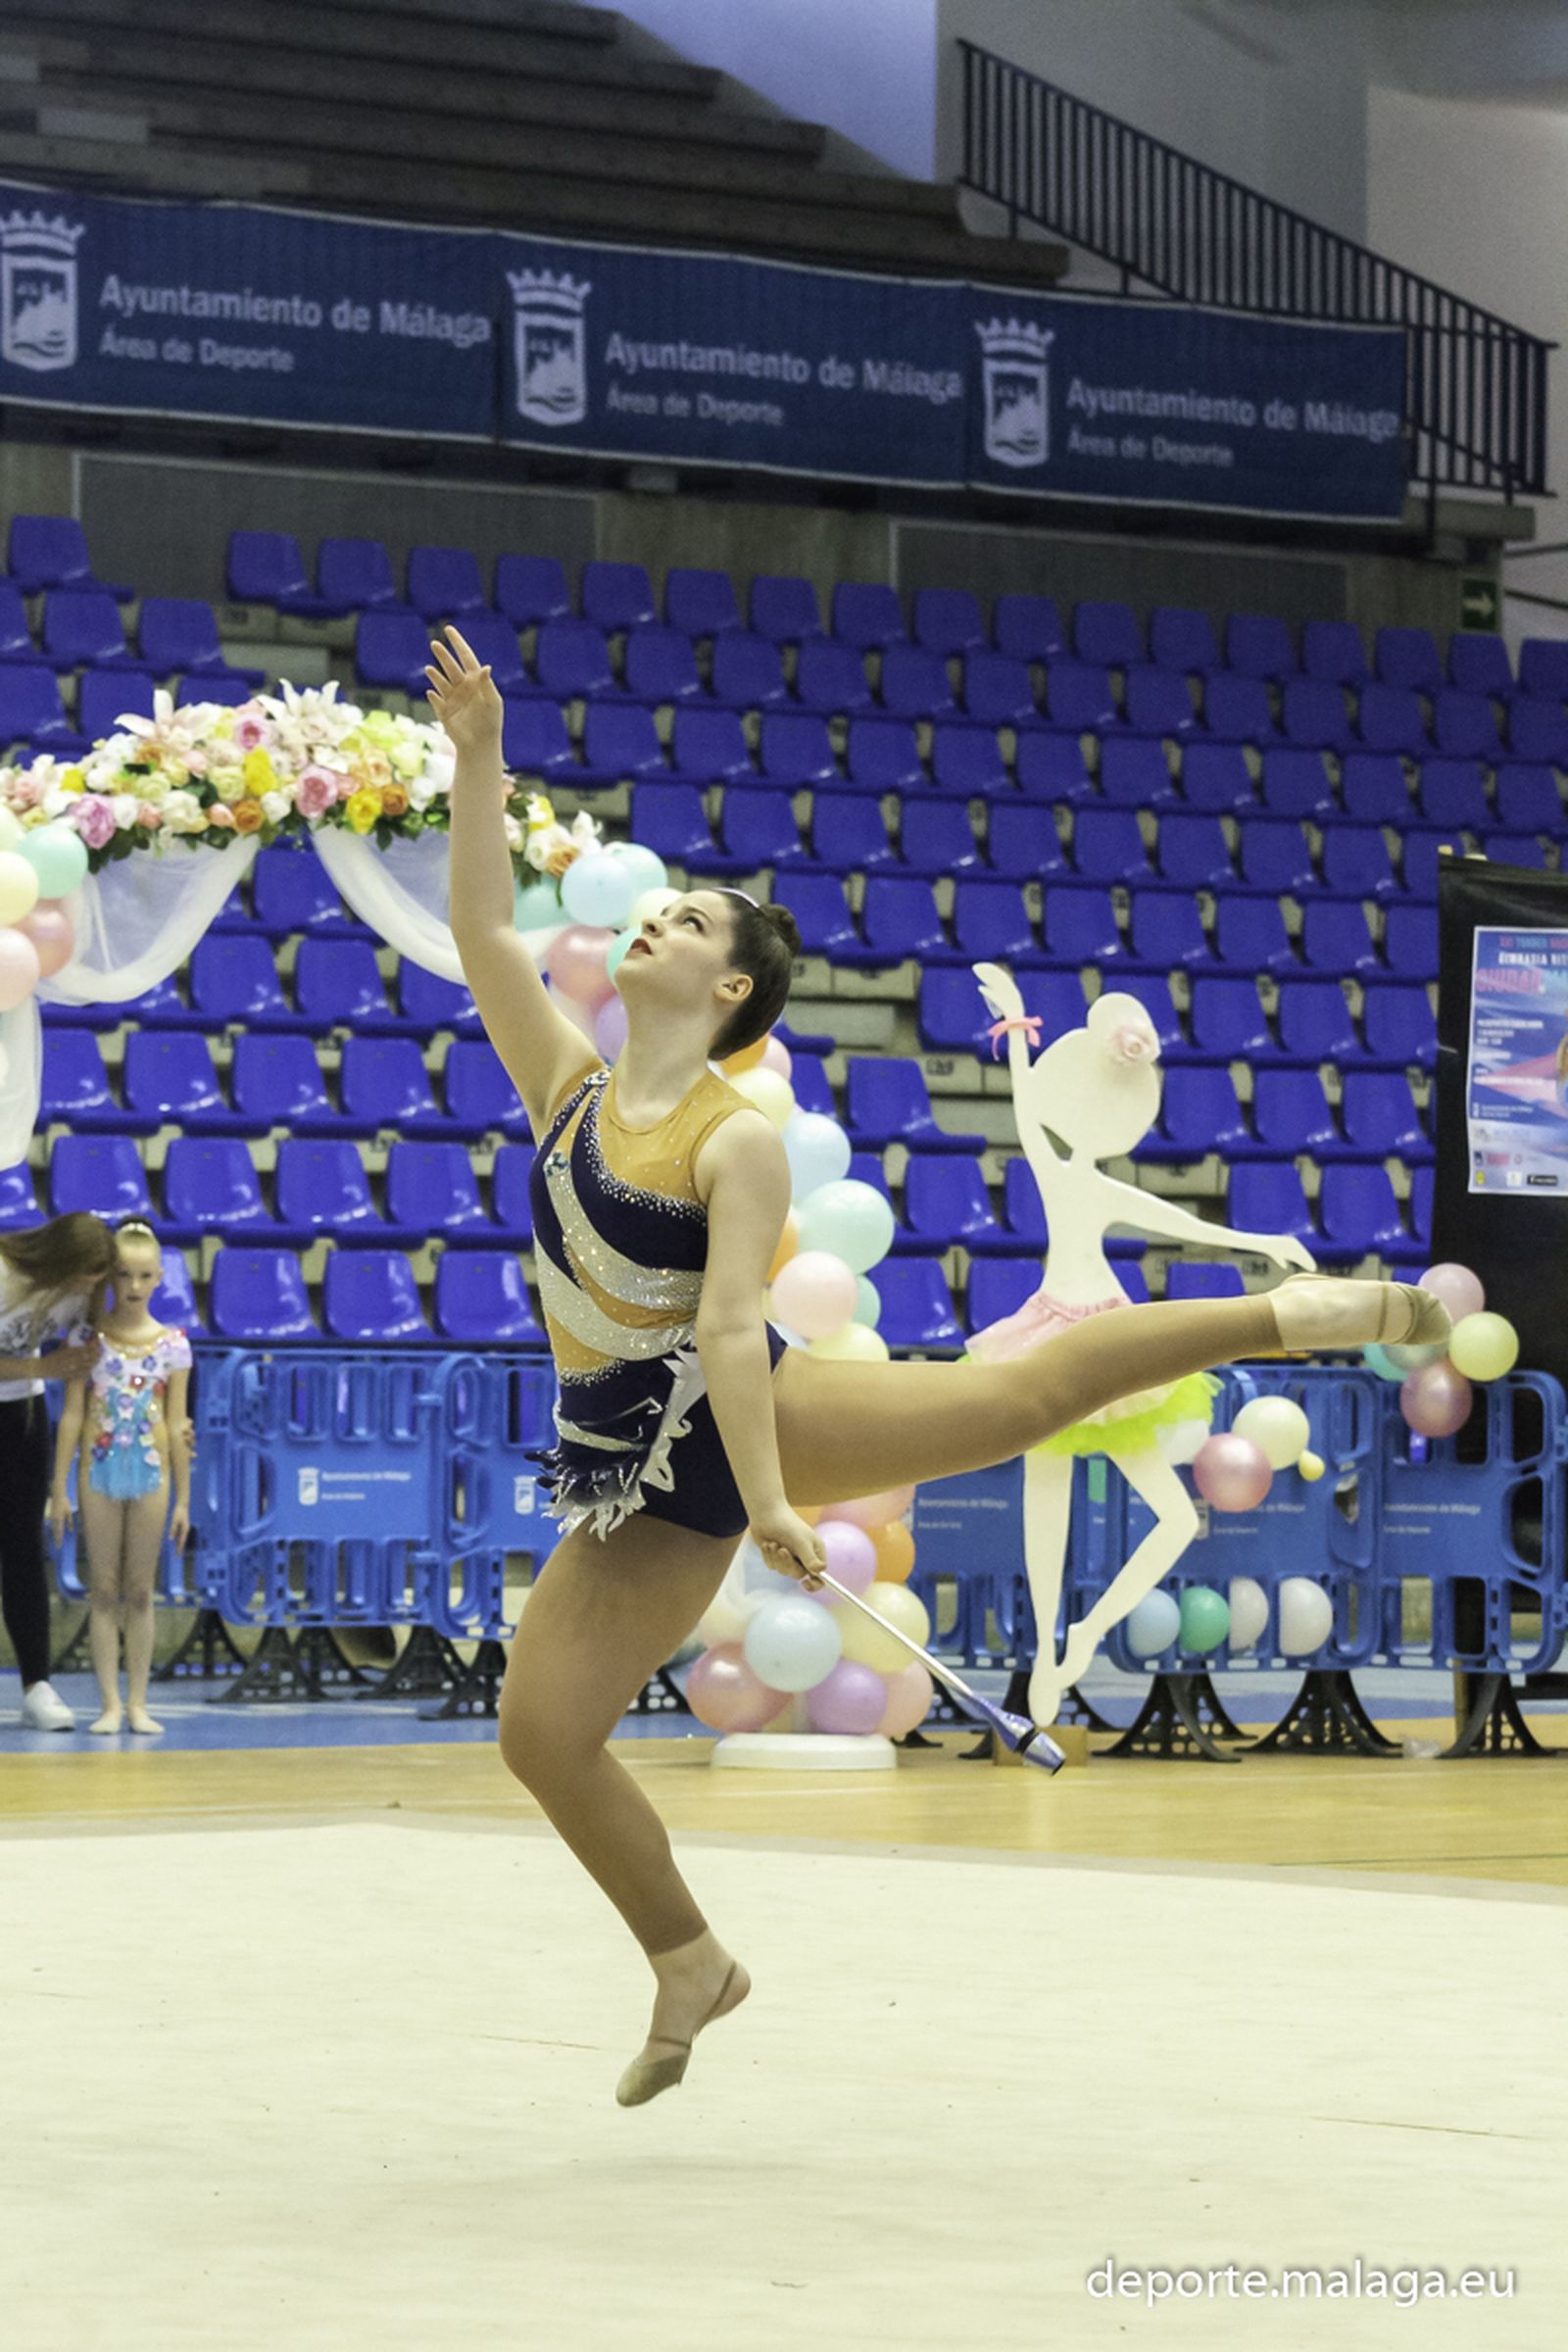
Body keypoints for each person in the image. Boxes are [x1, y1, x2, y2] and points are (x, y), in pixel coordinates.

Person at [429, 622, 1451, 2110]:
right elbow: (480, 937)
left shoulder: (739, 1142)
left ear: (730, 994)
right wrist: (478, 763)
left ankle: (1294, 1312)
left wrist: (773, 1503)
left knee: (1027, 1396)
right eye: (659, 913)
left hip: (750, 1411)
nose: (657, 924)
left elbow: (727, 1330)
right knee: (541, 1734)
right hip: (628, 1459)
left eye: (692, 924)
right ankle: (690, 1964)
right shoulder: (569, 1091)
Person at [48, 1220, 192, 1738]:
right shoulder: (87, 1338)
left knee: (140, 1588)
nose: (133, 1287)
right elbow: (71, 1417)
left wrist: (184, 1500)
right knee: (103, 1586)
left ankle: (138, 1702)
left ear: (159, 1280)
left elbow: (176, 1426)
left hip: (152, 1475)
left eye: (145, 1276)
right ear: (110, 1277)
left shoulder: (174, 1345)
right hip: (98, 1472)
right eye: (125, 1275)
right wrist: (58, 1489)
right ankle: (108, 1703)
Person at [0, 1212, 116, 1730]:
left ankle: (37, 1684)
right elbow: (46, 1363)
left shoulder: (83, 1292)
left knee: (23, 1548)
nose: (84, 1290)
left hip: (22, 1418)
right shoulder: (5, 1274)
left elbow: (82, 1360)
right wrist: (37, 1367)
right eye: (80, 1278)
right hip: (18, 1387)